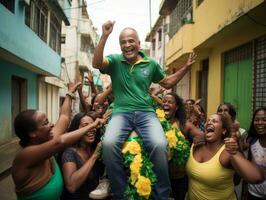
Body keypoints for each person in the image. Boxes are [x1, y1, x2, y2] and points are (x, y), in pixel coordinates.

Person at [92, 20, 197, 199]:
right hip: (121, 113)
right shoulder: (115, 61)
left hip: (146, 113)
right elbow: (96, 63)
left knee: (160, 145)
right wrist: (104, 36)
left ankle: (161, 195)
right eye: (123, 42)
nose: (127, 45)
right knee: (109, 145)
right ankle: (120, 192)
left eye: (131, 40)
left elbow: (168, 82)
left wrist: (186, 67)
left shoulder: (151, 64)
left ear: (139, 43)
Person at [11, 82, 105, 200]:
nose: (52, 125)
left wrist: (70, 93)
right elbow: (61, 141)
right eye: (45, 123)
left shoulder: (46, 141)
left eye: (48, 121)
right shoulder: (25, 156)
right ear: (32, 133)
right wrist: (93, 125)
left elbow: (64, 118)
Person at [185, 113, 264, 200]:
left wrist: (234, 153)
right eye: (208, 121)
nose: (209, 122)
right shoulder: (197, 144)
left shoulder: (227, 151)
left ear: (223, 130)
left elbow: (257, 177)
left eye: (214, 121)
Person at [162, 93, 203, 200]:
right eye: (164, 101)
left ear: (177, 107)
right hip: (160, 176)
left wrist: (195, 141)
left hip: (179, 178)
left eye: (170, 102)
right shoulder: (155, 123)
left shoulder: (183, 124)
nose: (166, 103)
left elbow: (201, 136)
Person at [60, 112, 106, 200]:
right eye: (85, 125)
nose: (92, 128)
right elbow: (71, 186)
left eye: (93, 125)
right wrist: (94, 156)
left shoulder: (97, 147)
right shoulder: (69, 153)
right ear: (77, 130)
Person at [245, 107, 266, 200]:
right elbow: (249, 166)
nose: (260, 123)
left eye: (264, 120)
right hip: (253, 193)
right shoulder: (252, 141)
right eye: (256, 120)